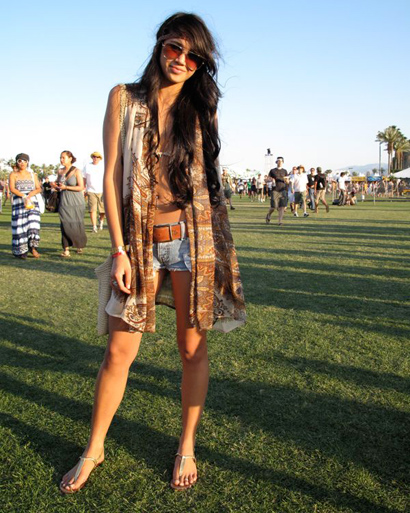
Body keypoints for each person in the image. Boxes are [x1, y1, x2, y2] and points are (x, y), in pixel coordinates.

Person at [59, 12, 246, 494]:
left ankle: (186, 445)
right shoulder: (124, 98)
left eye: (193, 55)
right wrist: (118, 249)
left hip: (191, 240)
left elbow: (206, 181)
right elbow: (110, 175)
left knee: (191, 349)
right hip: (138, 242)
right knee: (118, 351)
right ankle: (94, 448)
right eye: (174, 47)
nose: (181, 60)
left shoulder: (201, 106)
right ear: (160, 44)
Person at [52, 151, 87, 257]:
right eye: (60, 157)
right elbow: (59, 186)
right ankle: (66, 249)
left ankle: (79, 244)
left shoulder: (77, 171)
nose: (61, 160)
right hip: (64, 201)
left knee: (77, 223)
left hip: (76, 201)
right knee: (64, 224)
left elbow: (81, 187)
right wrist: (55, 185)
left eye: (64, 157)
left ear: (70, 158)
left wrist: (66, 187)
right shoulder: (60, 171)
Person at [8, 154, 42, 258]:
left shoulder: (33, 175)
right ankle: (21, 250)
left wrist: (30, 195)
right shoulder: (13, 175)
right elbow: (12, 188)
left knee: (33, 225)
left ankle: (33, 248)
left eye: (24, 161)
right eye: (20, 161)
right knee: (20, 226)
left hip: (32, 202)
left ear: (27, 162)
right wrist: (23, 196)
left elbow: (38, 188)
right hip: (19, 202)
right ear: (17, 162)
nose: (22, 163)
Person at [83, 151, 106, 232]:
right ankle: (94, 226)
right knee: (92, 209)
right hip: (91, 190)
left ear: (100, 158)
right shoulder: (87, 166)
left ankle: (101, 221)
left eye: (97, 157)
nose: (95, 158)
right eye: (94, 157)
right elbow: (84, 178)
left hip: (102, 191)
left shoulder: (103, 166)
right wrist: (83, 188)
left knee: (102, 210)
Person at [265, 157, 288, 225]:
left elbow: (287, 181)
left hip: (283, 190)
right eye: (278, 161)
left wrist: (286, 181)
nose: (279, 162)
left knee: (282, 207)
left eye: (281, 161)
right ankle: (269, 215)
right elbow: (267, 179)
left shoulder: (285, 171)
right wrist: (271, 180)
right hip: (275, 190)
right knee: (273, 207)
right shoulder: (272, 171)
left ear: (283, 162)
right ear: (276, 162)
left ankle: (280, 221)